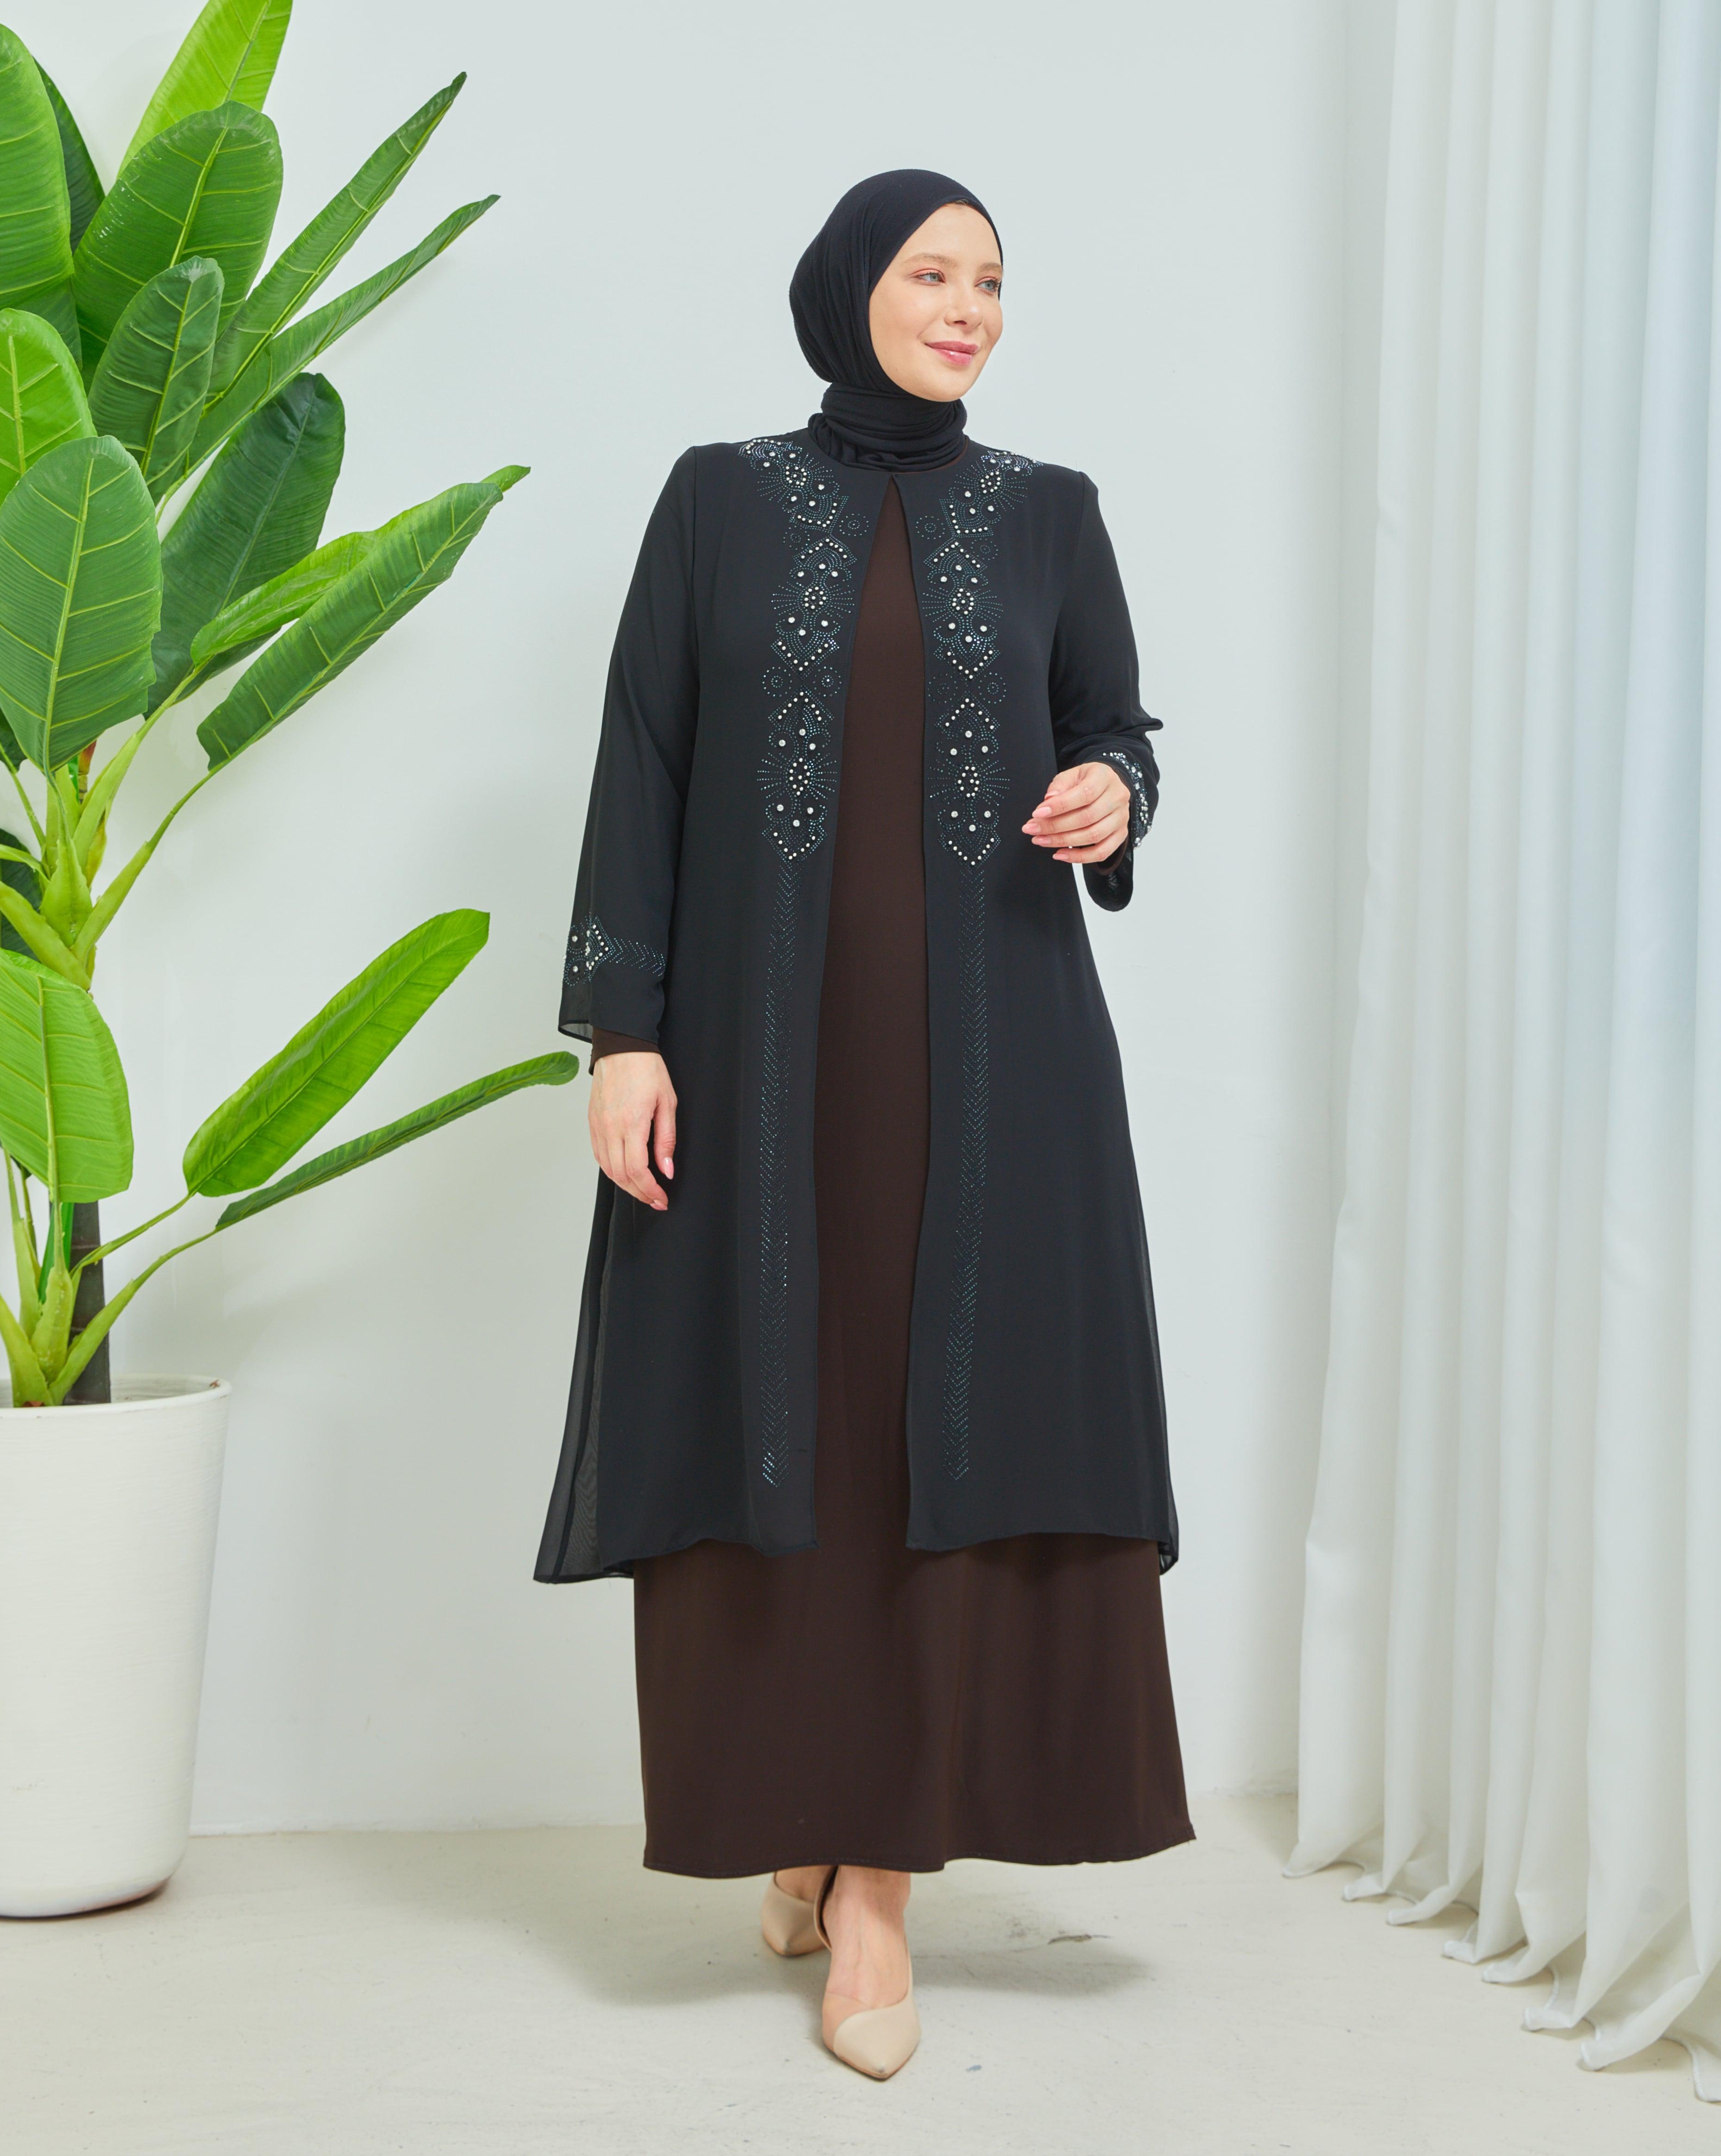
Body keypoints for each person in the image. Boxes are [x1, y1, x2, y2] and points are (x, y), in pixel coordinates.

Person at [536, 168, 1189, 2080]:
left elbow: (1119, 724)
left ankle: (879, 1895)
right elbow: (643, 757)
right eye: (932, 271)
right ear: (849, 289)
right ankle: (803, 1825)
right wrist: (622, 1033)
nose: (969, 305)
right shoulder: (719, 500)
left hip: (998, 1068)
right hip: (757, 1065)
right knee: (787, 1426)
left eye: (992, 279)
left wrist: (1111, 792)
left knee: (941, 1439)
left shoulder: (1052, 511)